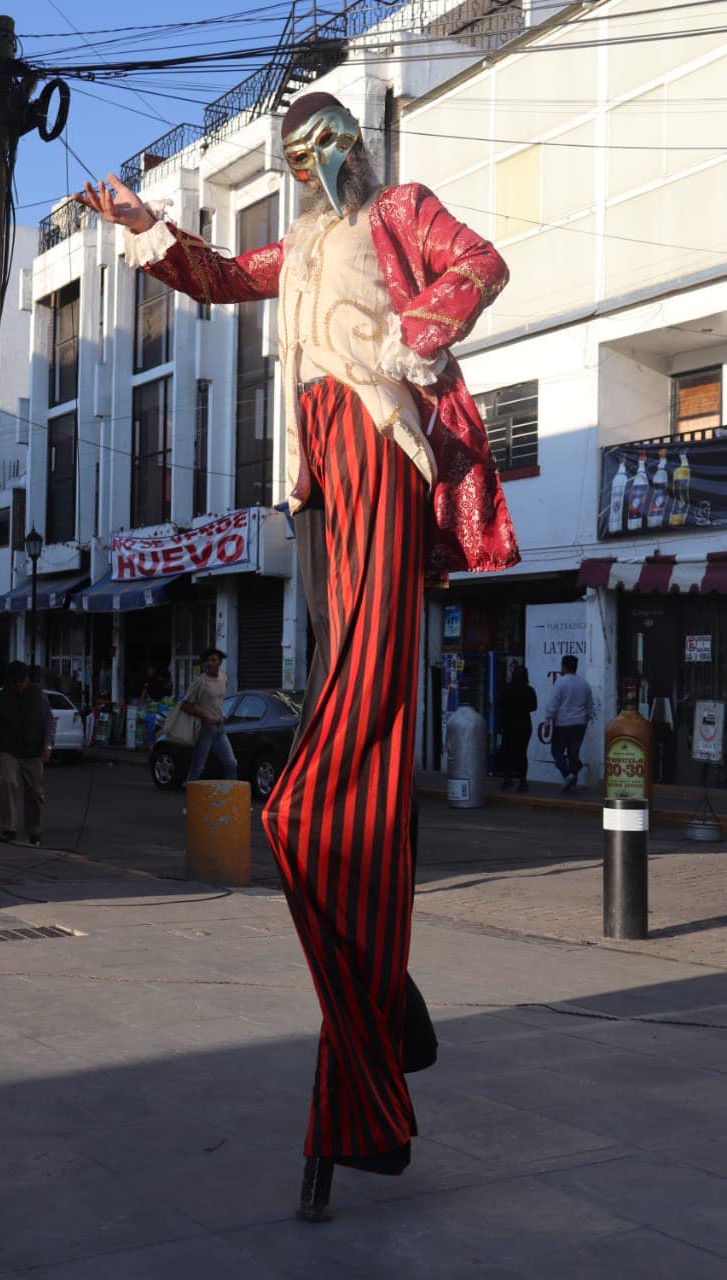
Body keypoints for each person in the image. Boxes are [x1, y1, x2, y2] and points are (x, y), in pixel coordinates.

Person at [76, 91, 518, 1219]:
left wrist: (409, 342)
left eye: (325, 150)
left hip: (376, 440)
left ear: (356, 152)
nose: (312, 169)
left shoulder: (398, 211)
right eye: (296, 157)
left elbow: (480, 264)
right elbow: (221, 277)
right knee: (319, 797)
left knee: (312, 798)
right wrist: (137, 221)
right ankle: (383, 1017)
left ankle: (383, 1019)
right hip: (322, 470)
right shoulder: (310, 240)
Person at [0, 661, 55, 845]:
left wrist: (48, 745)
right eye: (15, 683)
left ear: (27, 680)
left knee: (35, 792)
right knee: (8, 784)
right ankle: (9, 828)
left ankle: (34, 828)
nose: (19, 686)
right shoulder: (1, 698)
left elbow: (49, 722)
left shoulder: (38, 695)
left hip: (33, 750)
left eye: (22, 682)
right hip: (9, 749)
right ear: (9, 681)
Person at [180, 648, 237, 787]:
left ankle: (232, 795)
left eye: (213, 660)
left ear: (220, 663)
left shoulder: (224, 679)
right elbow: (185, 705)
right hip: (205, 729)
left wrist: (221, 715)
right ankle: (190, 794)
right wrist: (205, 716)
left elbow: (217, 702)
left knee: (231, 763)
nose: (210, 663)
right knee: (198, 767)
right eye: (208, 661)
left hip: (219, 728)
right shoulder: (200, 681)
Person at [546, 654, 594, 793]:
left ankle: (568, 775)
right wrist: (585, 720)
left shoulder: (560, 682)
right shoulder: (584, 683)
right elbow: (590, 705)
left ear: (563, 667)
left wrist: (547, 720)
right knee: (573, 752)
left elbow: (553, 704)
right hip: (579, 724)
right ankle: (573, 777)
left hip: (562, 724)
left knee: (556, 752)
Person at [497, 664, 537, 792]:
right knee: (521, 753)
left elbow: (500, 705)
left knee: (506, 751)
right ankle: (523, 781)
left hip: (509, 724)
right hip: (524, 724)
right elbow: (533, 707)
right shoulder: (529, 690)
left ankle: (507, 779)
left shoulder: (506, 689)